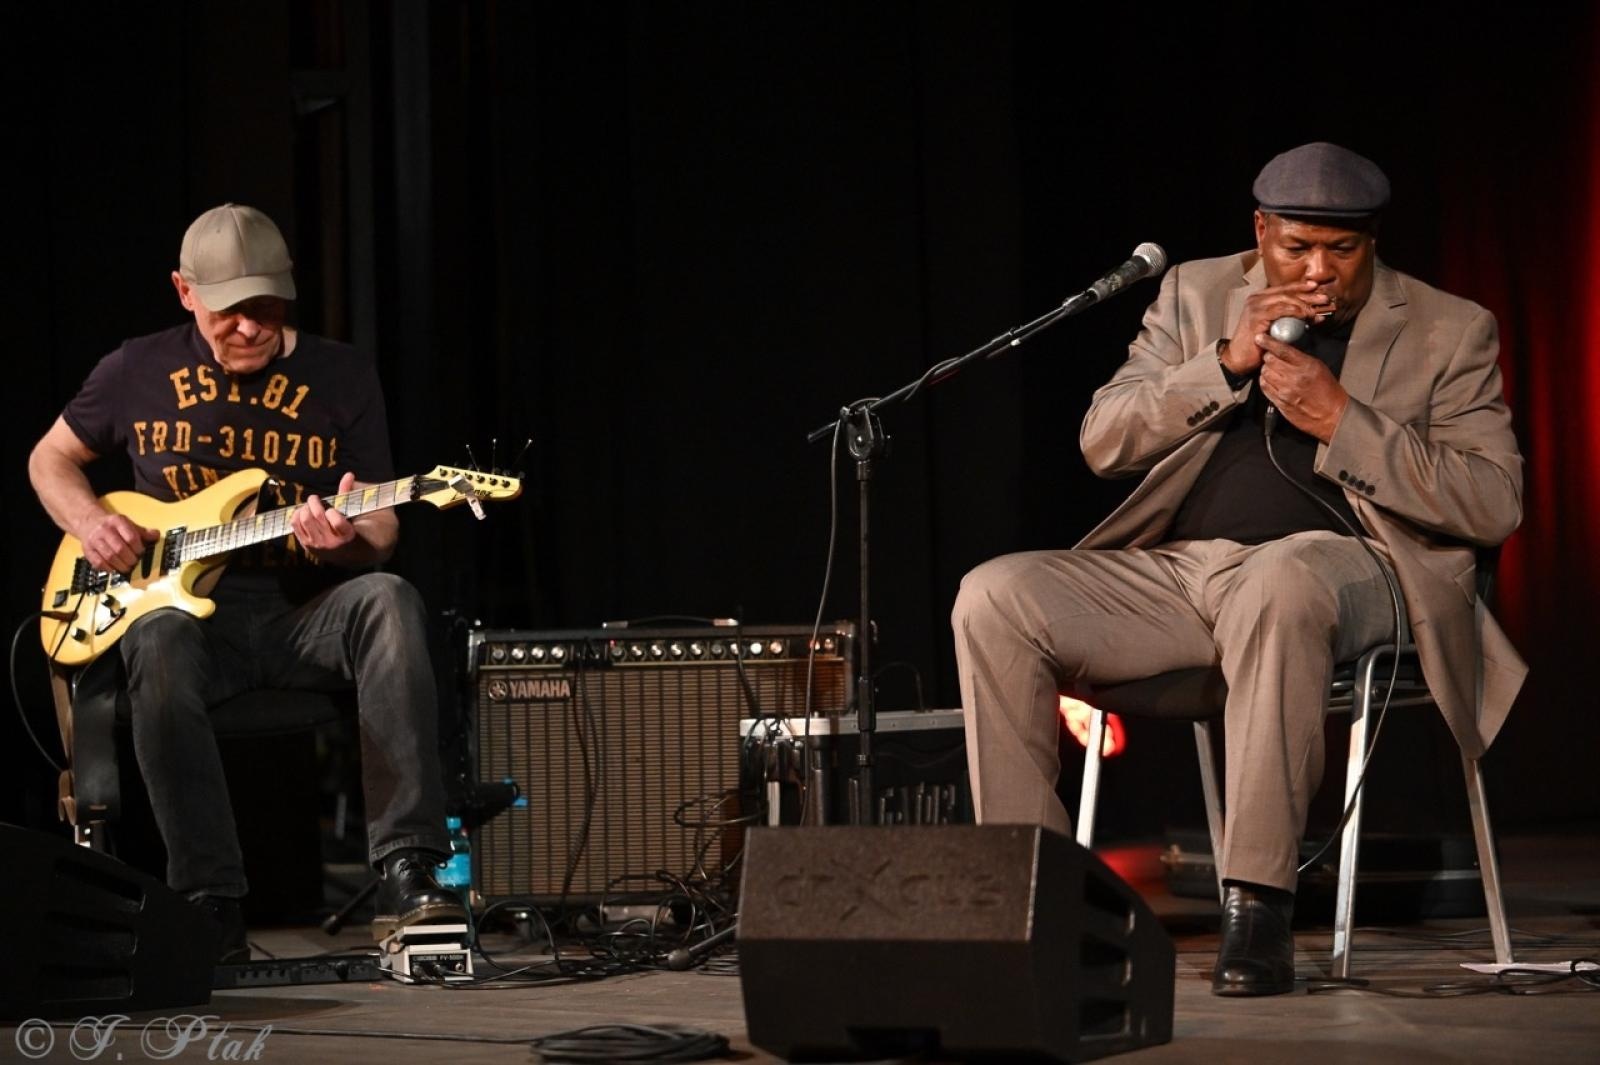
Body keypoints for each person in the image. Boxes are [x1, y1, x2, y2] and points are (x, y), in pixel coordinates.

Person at [951, 143, 1525, 996]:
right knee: (994, 595)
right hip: (1184, 574)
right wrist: (1223, 360)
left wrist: (1344, 421)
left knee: (1281, 578)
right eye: (1296, 248)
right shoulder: (1194, 293)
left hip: (1362, 571)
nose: (1318, 270)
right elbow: (1104, 439)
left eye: (1342, 249)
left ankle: (1257, 904)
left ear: (1372, 241)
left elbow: (1491, 502)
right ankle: (1039, 903)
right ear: (1261, 233)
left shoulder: (1449, 327)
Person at [28, 203, 467, 962]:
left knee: (391, 600)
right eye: (230, 312)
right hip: (191, 624)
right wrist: (91, 521)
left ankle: (408, 869)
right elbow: (49, 460)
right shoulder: (135, 368)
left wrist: (344, 540)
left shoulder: (342, 373)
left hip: (306, 613)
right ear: (184, 291)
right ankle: (208, 901)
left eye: (266, 308)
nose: (250, 328)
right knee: (158, 637)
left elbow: (385, 530)